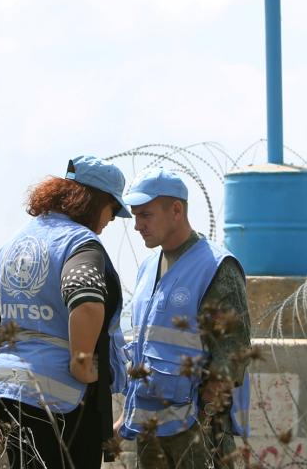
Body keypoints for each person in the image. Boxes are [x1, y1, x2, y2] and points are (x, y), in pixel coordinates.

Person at [0, 155, 131, 469]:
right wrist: (82, 364)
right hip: (62, 400)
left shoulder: (10, 246)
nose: (112, 220)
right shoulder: (80, 245)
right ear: (94, 201)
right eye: (113, 209)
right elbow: (86, 300)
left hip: (8, 390)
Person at [118, 168, 251, 469]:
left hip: (195, 431)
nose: (137, 225)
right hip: (150, 427)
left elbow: (231, 352)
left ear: (176, 210)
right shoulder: (147, 268)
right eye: (135, 216)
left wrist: (202, 423)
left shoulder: (215, 267)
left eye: (146, 215)